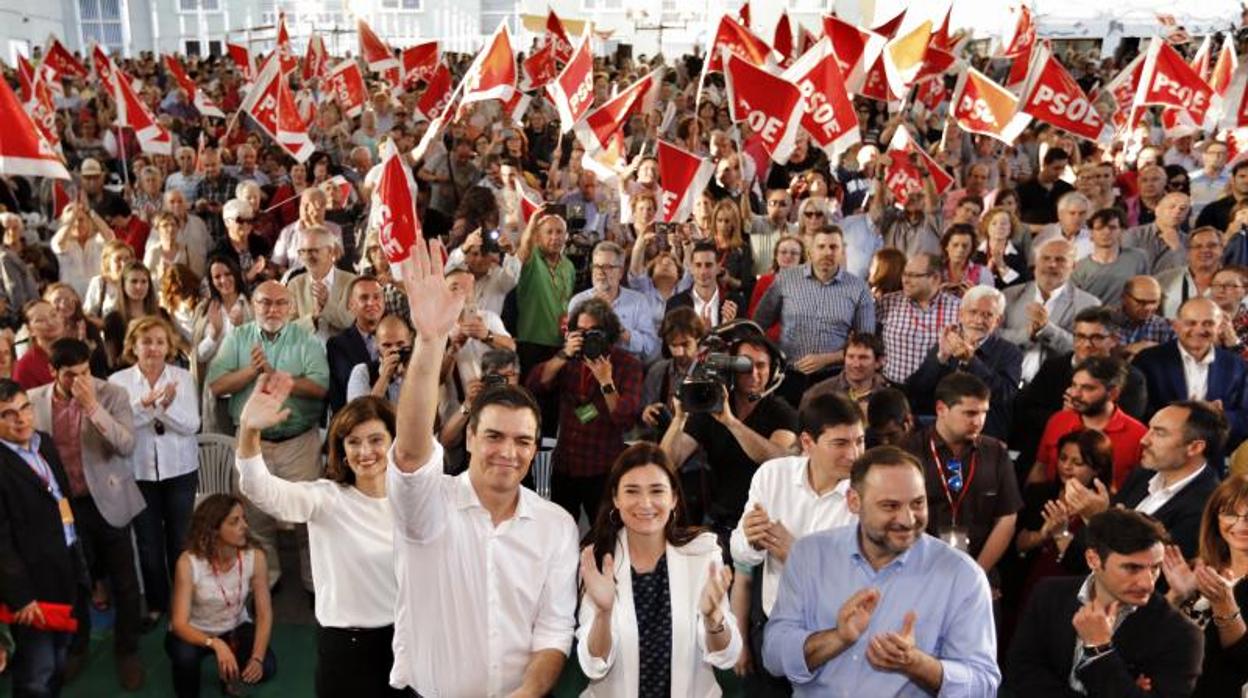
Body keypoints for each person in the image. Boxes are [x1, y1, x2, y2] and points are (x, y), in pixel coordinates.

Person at [387, 238, 577, 696]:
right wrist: (430, 341)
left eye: (522, 441)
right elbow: (412, 454)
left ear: (535, 450)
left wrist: (528, 693)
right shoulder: (429, 506)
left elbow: (553, 631)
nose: (507, 452)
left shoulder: (556, 526)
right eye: (493, 436)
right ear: (469, 437)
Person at [762, 446, 1001, 695]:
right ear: (854, 501)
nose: (908, 519)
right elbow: (773, 656)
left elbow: (983, 685)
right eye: (890, 506)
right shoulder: (809, 555)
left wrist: (916, 664)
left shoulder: (962, 576)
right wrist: (838, 638)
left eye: (918, 503)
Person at [236, 378, 404, 697]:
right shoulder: (325, 499)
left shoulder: (411, 502)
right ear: (341, 449)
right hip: (345, 649)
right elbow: (259, 488)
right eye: (353, 442)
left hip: (405, 643)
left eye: (376, 439)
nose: (365, 451)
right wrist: (249, 429)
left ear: (394, 442)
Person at [576, 443, 741, 696]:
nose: (645, 503)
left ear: (674, 498)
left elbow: (725, 656)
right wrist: (603, 614)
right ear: (616, 499)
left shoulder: (703, 553)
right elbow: (594, 665)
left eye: (657, 491)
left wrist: (713, 618)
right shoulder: (597, 559)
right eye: (632, 491)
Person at [730, 392, 864, 695]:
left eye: (859, 441)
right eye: (841, 443)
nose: (854, 454)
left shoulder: (867, 494)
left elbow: (864, 582)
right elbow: (742, 558)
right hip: (771, 628)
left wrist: (798, 556)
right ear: (807, 443)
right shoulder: (772, 476)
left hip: (836, 639)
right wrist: (750, 540)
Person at [30, 338, 145, 690]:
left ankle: (127, 651)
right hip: (63, 505)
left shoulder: (111, 394)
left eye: (85, 372)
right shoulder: (34, 401)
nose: (80, 380)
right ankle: (77, 647)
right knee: (76, 583)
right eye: (70, 375)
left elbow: (126, 446)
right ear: (53, 372)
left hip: (108, 499)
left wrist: (93, 407)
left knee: (125, 583)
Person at [205, 280, 330, 591]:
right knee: (255, 518)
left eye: (279, 303)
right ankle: (267, 579)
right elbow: (215, 385)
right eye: (264, 302)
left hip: (298, 442)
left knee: (307, 518)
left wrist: (277, 375)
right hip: (252, 444)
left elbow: (320, 388)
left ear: (290, 307)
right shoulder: (238, 338)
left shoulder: (306, 339)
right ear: (254, 305)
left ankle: (314, 583)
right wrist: (252, 372)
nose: (272, 309)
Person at [1003, 508, 1203, 697]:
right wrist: (1125, 686)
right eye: (1132, 568)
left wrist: (1100, 650)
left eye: (1155, 568)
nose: (1148, 583)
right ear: (1093, 560)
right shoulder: (1048, 594)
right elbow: (1020, 674)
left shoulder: (1181, 635)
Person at [661, 320, 798, 545]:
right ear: (731, 369)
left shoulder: (782, 412)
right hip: (720, 519)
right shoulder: (711, 406)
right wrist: (679, 419)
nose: (754, 373)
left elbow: (776, 458)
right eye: (745, 365)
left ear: (773, 371)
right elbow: (668, 461)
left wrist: (731, 422)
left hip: (765, 522)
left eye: (762, 366)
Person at [108, 317, 201, 630]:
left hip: (180, 471)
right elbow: (115, 429)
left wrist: (164, 409)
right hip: (139, 472)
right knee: (148, 544)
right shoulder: (118, 382)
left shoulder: (183, 378)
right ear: (134, 346)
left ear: (169, 346)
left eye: (160, 342)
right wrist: (145, 405)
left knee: (180, 541)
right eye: (147, 341)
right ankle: (158, 604)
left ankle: (184, 602)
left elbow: (192, 425)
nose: (154, 348)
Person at [0, 378, 87, 697]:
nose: (20, 419)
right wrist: (21, 596)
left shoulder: (44, 442)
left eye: (24, 408)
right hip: (30, 587)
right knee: (37, 672)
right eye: (7, 414)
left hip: (64, 565)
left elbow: (63, 500)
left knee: (60, 655)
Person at [527, 297, 643, 522]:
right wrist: (563, 354)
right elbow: (534, 384)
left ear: (608, 333)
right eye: (580, 331)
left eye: (594, 331)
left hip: (602, 468)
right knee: (561, 533)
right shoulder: (568, 360)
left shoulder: (628, 365)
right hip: (565, 465)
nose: (587, 337)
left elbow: (625, 419)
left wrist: (606, 382)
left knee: (605, 534)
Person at [1065, 401, 1226, 561]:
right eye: (1150, 429)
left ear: (1195, 448)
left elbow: (1151, 575)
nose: (1144, 440)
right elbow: (1075, 561)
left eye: (1160, 433)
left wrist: (1100, 518)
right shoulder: (1142, 475)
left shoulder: (1208, 506)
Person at [901, 372, 1022, 581]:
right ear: (941, 409)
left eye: (984, 413)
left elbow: (1007, 518)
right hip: (917, 572)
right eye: (970, 413)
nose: (979, 421)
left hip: (981, 572)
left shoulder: (996, 453)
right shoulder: (908, 453)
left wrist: (976, 574)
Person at [166, 495, 277, 698]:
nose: (244, 525)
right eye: (234, 521)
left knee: (266, 668)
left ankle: (228, 676)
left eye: (243, 518)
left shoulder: (255, 557)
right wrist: (216, 644)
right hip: (195, 631)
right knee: (185, 660)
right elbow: (179, 623)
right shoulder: (189, 562)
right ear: (213, 529)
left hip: (234, 626)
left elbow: (264, 613)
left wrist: (258, 658)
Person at [753, 227, 876, 403]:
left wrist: (827, 359)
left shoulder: (858, 288)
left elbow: (866, 342)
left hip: (834, 378)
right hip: (787, 376)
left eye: (833, 247)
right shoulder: (785, 279)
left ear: (842, 251)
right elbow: (758, 324)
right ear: (810, 249)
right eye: (821, 246)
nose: (827, 252)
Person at [1161, 475, 1248, 696]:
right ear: (1215, 518)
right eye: (1230, 513)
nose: (1241, 524)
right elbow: (1150, 635)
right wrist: (1175, 596)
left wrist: (1225, 605)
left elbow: (1244, 663)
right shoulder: (1197, 568)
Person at [907, 285, 1023, 441]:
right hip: (941, 429)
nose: (978, 320)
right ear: (961, 315)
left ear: (998, 321)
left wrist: (970, 360)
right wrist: (941, 357)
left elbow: (1004, 394)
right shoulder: (948, 342)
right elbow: (917, 389)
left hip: (984, 434)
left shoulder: (1010, 352)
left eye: (988, 315)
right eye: (973, 312)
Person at [1134, 297, 1248, 448]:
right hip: (1161, 450)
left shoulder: (1235, 364)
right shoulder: (1148, 360)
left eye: (1208, 323)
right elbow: (1137, 413)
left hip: (1214, 454)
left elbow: (1245, 415)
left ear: (1220, 327)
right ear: (1175, 326)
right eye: (1191, 323)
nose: (1200, 330)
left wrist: (1220, 417)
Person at [1030, 356, 1147, 490]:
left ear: (1113, 393)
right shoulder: (1058, 420)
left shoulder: (1139, 435)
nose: (1075, 394)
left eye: (1088, 388)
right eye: (1074, 385)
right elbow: (1040, 468)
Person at [1001, 238, 1102, 385]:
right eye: (1045, 258)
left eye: (1060, 260)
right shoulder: (1008, 296)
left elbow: (1087, 349)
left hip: (1057, 387)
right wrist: (1026, 334)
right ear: (1036, 262)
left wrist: (1046, 329)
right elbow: (993, 337)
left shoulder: (1089, 304)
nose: (1052, 264)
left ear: (1073, 266)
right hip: (1007, 382)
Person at [567, 241, 662, 364]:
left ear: (620, 272)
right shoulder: (578, 301)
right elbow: (570, 345)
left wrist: (619, 327)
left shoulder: (638, 301)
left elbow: (649, 347)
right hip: (586, 366)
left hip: (626, 369)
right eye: (596, 266)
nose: (600, 272)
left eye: (607, 267)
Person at [877, 252, 962, 385]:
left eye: (913, 275)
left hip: (937, 393)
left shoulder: (958, 308)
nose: (905, 280)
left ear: (935, 278)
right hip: (893, 390)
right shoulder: (887, 302)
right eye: (904, 274)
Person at [324, 276, 385, 413]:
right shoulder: (338, 345)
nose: (371, 302)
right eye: (364, 298)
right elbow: (339, 395)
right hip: (356, 420)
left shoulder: (400, 337)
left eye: (377, 297)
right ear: (351, 305)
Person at [287, 225, 358, 342]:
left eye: (313, 251)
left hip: (342, 355)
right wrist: (313, 318)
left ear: (330, 251)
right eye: (302, 251)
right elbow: (287, 330)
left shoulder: (351, 282)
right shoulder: (295, 285)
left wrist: (327, 305)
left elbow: (349, 323)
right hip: (306, 354)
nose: (306, 257)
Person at [1070, 207, 1150, 306]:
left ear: (1122, 231)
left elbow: (1148, 293)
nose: (1106, 232)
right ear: (1091, 233)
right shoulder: (1079, 268)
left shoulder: (1138, 258)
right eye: (1099, 228)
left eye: (1112, 228)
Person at [802, 332, 893, 413]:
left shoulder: (889, 399)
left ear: (878, 362)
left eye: (863, 358)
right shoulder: (817, 394)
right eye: (850, 357)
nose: (856, 364)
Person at [666, 240, 745, 329]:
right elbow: (668, 341)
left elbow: (744, 339)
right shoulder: (675, 304)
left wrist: (727, 328)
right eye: (698, 265)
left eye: (708, 265)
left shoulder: (735, 302)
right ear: (691, 268)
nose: (703, 272)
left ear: (718, 268)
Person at [14, 300, 64, 390]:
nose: (51, 322)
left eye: (53, 315)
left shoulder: (76, 350)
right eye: (40, 320)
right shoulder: (25, 366)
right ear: (30, 330)